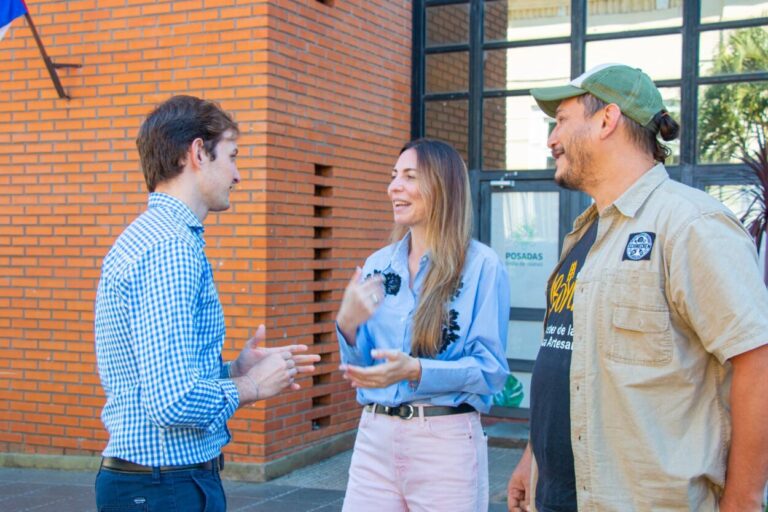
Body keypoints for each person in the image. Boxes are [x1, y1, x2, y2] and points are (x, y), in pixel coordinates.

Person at [506, 63, 768, 512]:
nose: (552, 139)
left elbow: (757, 361)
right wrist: (533, 460)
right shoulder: (584, 235)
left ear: (607, 120)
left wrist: (742, 502)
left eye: (562, 121)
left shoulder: (690, 225)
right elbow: (569, 361)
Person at [94, 95, 320, 512]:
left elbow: (160, 380)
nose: (237, 174)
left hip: (159, 484)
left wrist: (231, 370)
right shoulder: (169, 249)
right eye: (232, 156)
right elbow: (171, 400)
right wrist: (250, 387)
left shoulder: (155, 238)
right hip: (166, 488)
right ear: (198, 153)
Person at [336, 138, 511, 512]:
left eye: (409, 176)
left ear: (442, 187)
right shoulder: (377, 265)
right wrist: (347, 326)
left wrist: (416, 370)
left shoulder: (482, 266)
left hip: (444, 442)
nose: (393, 186)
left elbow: (491, 372)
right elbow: (363, 367)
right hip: (374, 436)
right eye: (393, 176)